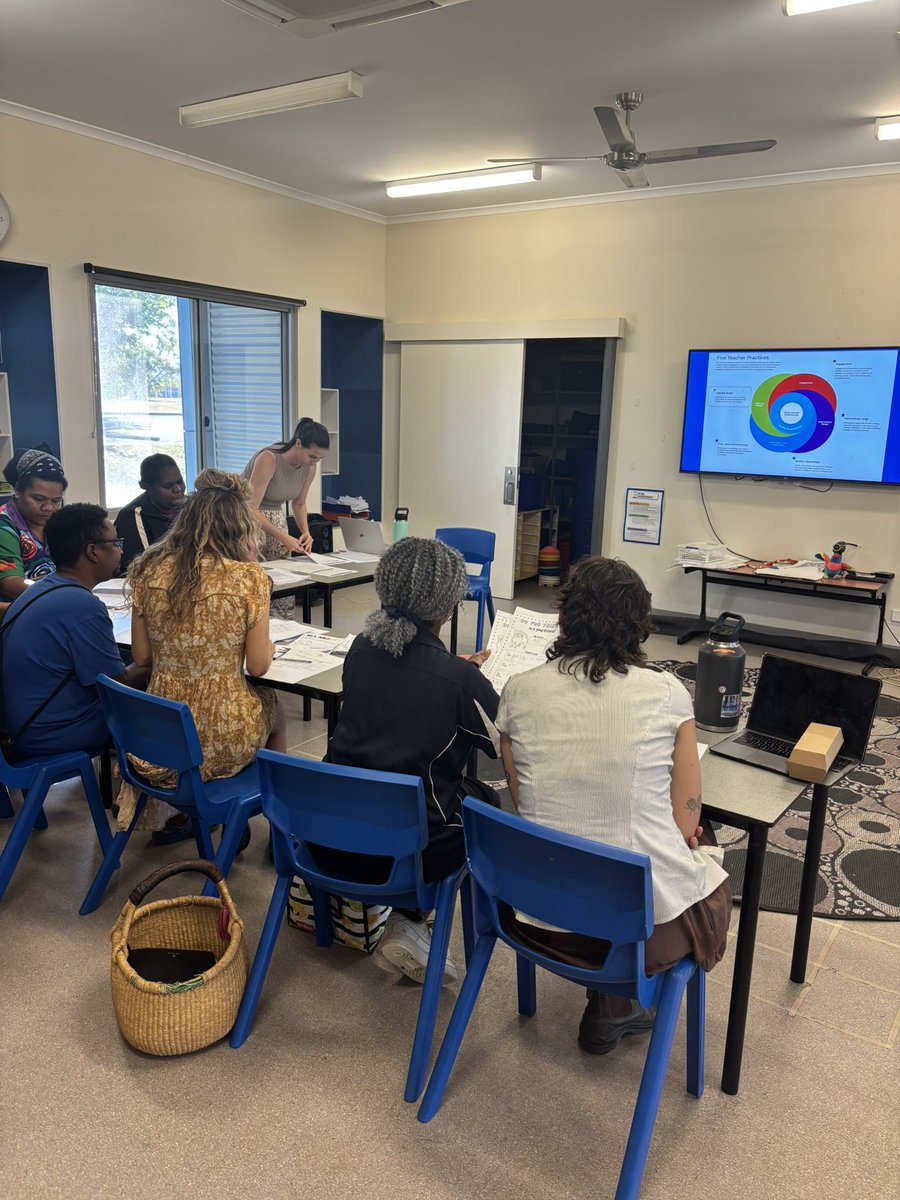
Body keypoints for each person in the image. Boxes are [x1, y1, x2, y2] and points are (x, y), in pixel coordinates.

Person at [496, 556, 732, 1056]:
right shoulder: (666, 693)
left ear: (564, 617)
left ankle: (609, 1002)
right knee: (699, 843)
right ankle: (616, 1002)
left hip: (537, 912)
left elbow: (524, 799)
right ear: (640, 625)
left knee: (585, 837)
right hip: (634, 934)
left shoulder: (519, 691)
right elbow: (685, 819)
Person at [323, 536, 500, 984]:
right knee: (486, 805)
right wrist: (471, 678)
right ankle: (414, 919)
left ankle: (405, 921)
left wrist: (456, 670)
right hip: (402, 859)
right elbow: (503, 743)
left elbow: (405, 680)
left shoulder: (361, 648)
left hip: (324, 839)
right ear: (448, 605)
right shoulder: (461, 681)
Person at [118, 469, 286, 836]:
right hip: (217, 733)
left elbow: (143, 659)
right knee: (274, 708)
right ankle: (279, 825)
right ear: (239, 529)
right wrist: (270, 647)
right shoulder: (249, 579)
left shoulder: (148, 570)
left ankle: (196, 816)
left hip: (157, 731)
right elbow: (257, 667)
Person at [0, 503, 146, 758]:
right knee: (158, 705)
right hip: (49, 733)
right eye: (116, 542)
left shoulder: (40, 587)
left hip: (20, 724)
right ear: (93, 552)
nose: (121, 551)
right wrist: (150, 661)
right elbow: (114, 685)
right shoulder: (81, 605)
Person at [0, 449, 68, 601]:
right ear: (18, 491)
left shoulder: (56, 523)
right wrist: (59, 595)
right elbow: (10, 584)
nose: (48, 507)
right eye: (38, 499)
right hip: (17, 615)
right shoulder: (4, 525)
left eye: (56, 501)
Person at [114, 453, 185, 570]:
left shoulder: (191, 507)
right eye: (168, 486)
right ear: (146, 486)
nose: (178, 489)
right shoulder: (131, 516)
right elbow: (141, 568)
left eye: (180, 482)